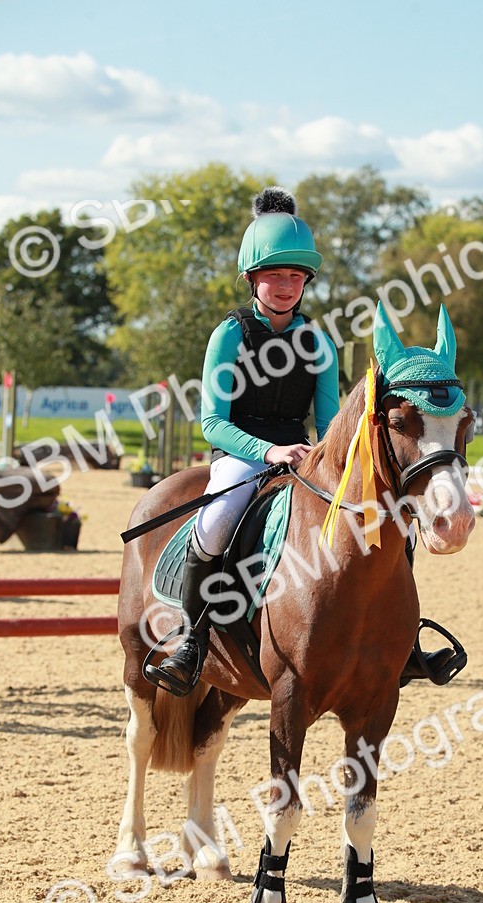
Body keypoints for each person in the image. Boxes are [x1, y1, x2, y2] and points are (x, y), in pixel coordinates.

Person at [146, 187, 340, 695]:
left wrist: (330, 462)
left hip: (302, 456)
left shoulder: (319, 342)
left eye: (295, 276)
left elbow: (331, 424)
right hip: (240, 453)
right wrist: (268, 451)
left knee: (374, 516)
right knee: (215, 522)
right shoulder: (229, 334)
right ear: (252, 277)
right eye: (275, 275)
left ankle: (400, 640)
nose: (286, 285)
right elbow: (212, 422)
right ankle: (191, 643)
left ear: (307, 281)